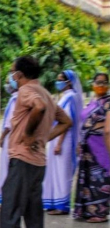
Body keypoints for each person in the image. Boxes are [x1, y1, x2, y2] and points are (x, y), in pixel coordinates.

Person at [0, 56, 72, 228]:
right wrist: (43, 139)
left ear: (20, 74)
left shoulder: (27, 92)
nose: (11, 77)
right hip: (38, 163)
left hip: (22, 160)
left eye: (13, 72)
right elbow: (66, 122)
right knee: (33, 216)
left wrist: (30, 135)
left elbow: (39, 108)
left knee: (10, 213)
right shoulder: (46, 92)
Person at [42, 70, 83, 215]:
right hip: (58, 140)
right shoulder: (65, 97)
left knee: (62, 173)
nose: (58, 82)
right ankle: (54, 202)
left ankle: (62, 205)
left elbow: (68, 121)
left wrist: (59, 143)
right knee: (54, 171)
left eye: (61, 80)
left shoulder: (71, 97)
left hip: (64, 141)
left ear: (69, 82)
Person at [73, 73, 110, 223]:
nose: (101, 85)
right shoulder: (93, 102)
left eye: (104, 82)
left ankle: (100, 213)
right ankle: (87, 210)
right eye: (98, 82)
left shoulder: (108, 102)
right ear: (92, 83)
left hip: (101, 146)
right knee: (88, 179)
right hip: (86, 148)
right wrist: (79, 143)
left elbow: (108, 129)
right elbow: (83, 123)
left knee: (100, 179)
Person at [0, 83, 19, 204]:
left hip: (10, 138)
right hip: (14, 138)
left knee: (6, 167)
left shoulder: (16, 99)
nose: (8, 84)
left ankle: (7, 198)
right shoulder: (15, 98)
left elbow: (9, 123)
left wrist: (2, 137)